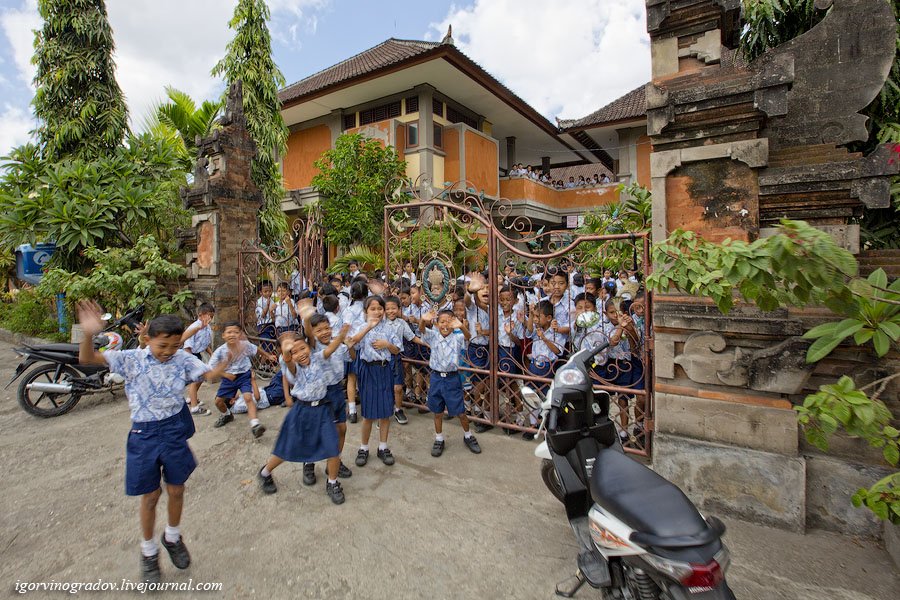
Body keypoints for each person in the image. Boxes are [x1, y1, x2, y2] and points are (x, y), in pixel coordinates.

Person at [76, 301, 235, 584]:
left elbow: (207, 377)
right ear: (148, 339)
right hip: (144, 434)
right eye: (162, 346)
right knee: (150, 496)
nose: (167, 353)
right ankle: (148, 552)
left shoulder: (183, 359)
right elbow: (88, 360)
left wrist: (227, 361)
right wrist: (88, 334)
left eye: (174, 346)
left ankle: (172, 536)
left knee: (176, 489)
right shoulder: (131, 359)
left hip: (173, 430)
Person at [257, 333, 346, 505]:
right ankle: (265, 472)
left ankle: (332, 483)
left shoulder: (319, 358)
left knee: (333, 447)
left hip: (323, 410)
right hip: (302, 412)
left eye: (303, 348)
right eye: (294, 351)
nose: (301, 353)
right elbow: (289, 360)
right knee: (288, 448)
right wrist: (287, 352)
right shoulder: (294, 368)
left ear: (309, 348)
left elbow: (331, 348)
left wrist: (343, 332)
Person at [419, 309, 482, 457]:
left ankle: (468, 436)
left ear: (453, 322)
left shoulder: (457, 337)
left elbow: (468, 336)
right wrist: (423, 319)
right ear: (436, 324)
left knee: (460, 411)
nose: (445, 325)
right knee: (437, 411)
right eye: (442, 322)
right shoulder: (433, 336)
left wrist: (461, 326)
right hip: (436, 378)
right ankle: (439, 439)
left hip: (452, 378)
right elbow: (422, 329)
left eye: (449, 321)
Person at [349, 296, 401, 467]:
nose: (377, 312)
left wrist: (387, 344)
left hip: (385, 369)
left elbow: (396, 350)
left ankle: (383, 447)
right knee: (368, 414)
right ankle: (363, 448)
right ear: (366, 311)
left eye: (380, 308)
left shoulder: (390, 327)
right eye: (373, 309)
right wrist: (368, 327)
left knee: (385, 412)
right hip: (368, 370)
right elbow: (352, 343)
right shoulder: (361, 326)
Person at [302, 314, 354, 485]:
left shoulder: (338, 343)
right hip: (319, 394)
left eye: (327, 328)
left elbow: (350, 356)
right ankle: (308, 462)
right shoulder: (311, 347)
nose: (324, 332)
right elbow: (326, 348)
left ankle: (335, 462)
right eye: (319, 330)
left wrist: (350, 345)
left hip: (337, 390)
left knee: (341, 429)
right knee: (317, 431)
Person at [211, 322, 276, 438]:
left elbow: (256, 349)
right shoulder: (220, 351)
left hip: (244, 376)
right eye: (229, 332)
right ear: (223, 335)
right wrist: (225, 374)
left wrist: (268, 356)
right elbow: (211, 368)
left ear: (240, 334)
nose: (232, 335)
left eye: (236, 332)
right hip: (228, 378)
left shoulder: (244, 345)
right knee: (218, 402)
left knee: (248, 398)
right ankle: (227, 415)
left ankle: (255, 425)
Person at [384, 295, 422, 425]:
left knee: (398, 387)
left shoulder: (402, 323)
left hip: (396, 358)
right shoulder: (380, 323)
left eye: (393, 308)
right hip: (383, 359)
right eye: (387, 309)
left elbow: (411, 337)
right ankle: (384, 413)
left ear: (399, 309)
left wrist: (426, 343)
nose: (390, 311)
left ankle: (398, 409)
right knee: (385, 387)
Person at [181, 303, 215, 416]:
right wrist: (192, 363)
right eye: (209, 316)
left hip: (198, 354)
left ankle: (191, 399)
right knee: (195, 381)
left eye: (212, 316)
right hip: (190, 355)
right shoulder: (194, 328)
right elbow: (187, 346)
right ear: (200, 315)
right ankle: (194, 408)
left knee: (201, 377)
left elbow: (205, 343)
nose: (211, 318)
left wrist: (211, 353)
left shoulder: (207, 327)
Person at [342, 281, 368, 423]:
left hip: (351, 346)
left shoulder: (348, 309)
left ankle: (352, 410)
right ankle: (366, 408)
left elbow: (345, 327)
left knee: (351, 379)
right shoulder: (367, 309)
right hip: (365, 347)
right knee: (364, 379)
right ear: (366, 294)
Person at [255, 282, 276, 354]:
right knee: (267, 346)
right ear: (261, 292)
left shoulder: (272, 300)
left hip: (271, 325)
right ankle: (263, 364)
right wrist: (267, 305)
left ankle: (267, 363)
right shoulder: (259, 301)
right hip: (263, 326)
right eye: (265, 291)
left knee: (274, 344)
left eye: (270, 291)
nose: (268, 293)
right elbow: (262, 315)